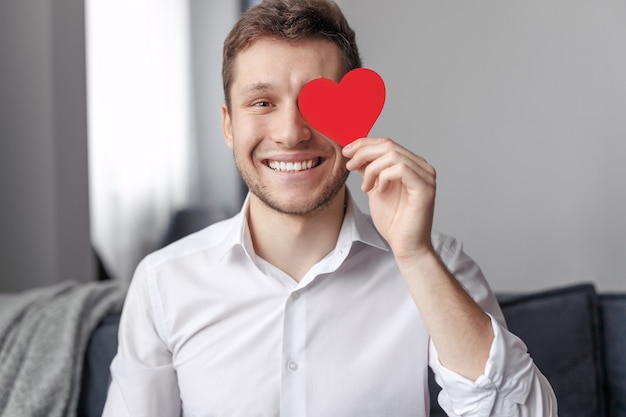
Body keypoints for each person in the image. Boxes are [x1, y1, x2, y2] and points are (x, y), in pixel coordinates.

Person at [102, 0, 558, 416]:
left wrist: (415, 257)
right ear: (228, 125)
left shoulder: (434, 263)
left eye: (315, 102)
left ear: (358, 116)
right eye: (262, 103)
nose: (291, 133)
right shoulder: (163, 283)